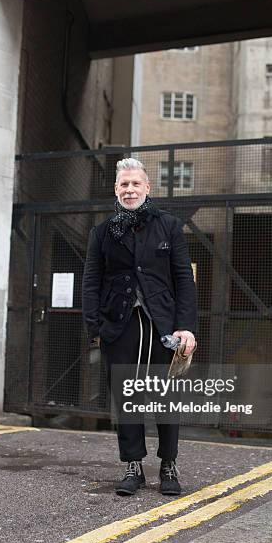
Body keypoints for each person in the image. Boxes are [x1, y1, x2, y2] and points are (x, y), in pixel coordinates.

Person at [82, 158, 197, 496]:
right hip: (119, 324)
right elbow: (91, 281)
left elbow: (183, 280)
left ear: (148, 188)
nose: (129, 189)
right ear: (116, 190)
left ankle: (168, 465)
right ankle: (133, 466)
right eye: (123, 185)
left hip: (164, 324)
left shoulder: (169, 226)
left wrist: (186, 327)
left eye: (135, 184)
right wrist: (96, 328)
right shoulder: (101, 232)